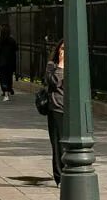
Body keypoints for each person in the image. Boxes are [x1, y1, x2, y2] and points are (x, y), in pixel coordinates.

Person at [44, 39, 66, 186]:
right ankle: (59, 176)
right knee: (58, 144)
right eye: (62, 48)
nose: (64, 52)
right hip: (57, 108)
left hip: (70, 110)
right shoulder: (52, 66)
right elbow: (54, 82)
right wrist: (61, 65)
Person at [0, 24, 19, 101]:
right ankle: (9, 90)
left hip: (2, 61)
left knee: (3, 77)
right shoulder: (12, 40)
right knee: (9, 76)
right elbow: (16, 48)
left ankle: (5, 92)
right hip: (11, 61)